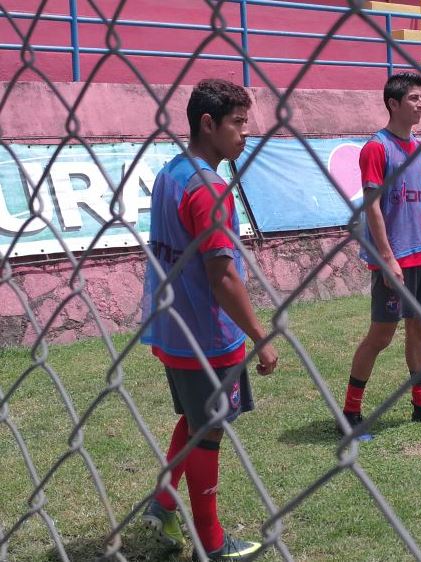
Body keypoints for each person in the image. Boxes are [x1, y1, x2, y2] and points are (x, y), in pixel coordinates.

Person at [140, 78, 278, 561]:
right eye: (238, 123)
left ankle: (161, 500)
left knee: (196, 419)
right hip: (207, 333)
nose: (246, 134)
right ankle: (211, 540)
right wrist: (261, 335)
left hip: (173, 327)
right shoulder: (210, 190)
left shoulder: (170, 172)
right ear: (208, 123)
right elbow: (222, 278)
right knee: (211, 429)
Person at [340, 72, 421, 441]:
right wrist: (387, 257)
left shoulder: (419, 148)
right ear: (393, 104)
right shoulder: (376, 148)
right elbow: (373, 208)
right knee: (381, 336)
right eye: (413, 98)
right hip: (394, 259)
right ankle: (349, 412)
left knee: (419, 332)